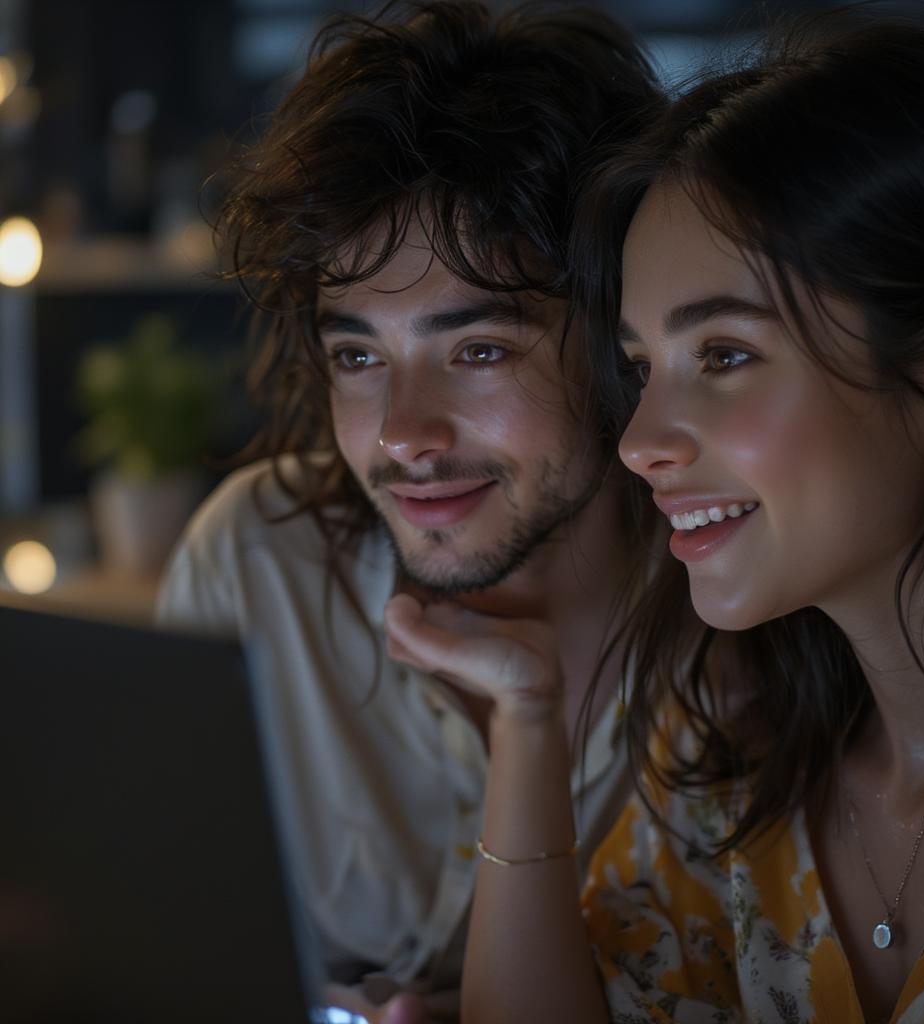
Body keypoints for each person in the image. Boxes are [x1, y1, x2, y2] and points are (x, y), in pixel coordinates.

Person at [382, 13, 924, 1023]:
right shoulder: (732, 772)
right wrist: (529, 720)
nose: (639, 440)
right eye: (640, 370)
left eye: (722, 355)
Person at [155, 2, 662, 1020]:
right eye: (358, 355)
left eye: (476, 350)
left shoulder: (737, 619)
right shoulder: (258, 562)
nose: (402, 434)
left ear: (620, 343)